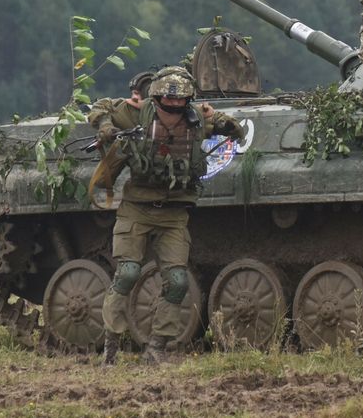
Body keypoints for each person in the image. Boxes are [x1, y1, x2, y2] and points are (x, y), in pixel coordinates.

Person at [89, 65, 246, 364]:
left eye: (180, 99)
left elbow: (228, 125)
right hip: (137, 208)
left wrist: (225, 123)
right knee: (128, 273)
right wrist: (107, 125)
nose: (174, 104)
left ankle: (157, 346)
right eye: (168, 99)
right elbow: (98, 109)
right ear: (156, 96)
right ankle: (111, 344)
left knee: (176, 281)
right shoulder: (138, 114)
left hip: (174, 214)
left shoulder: (196, 118)